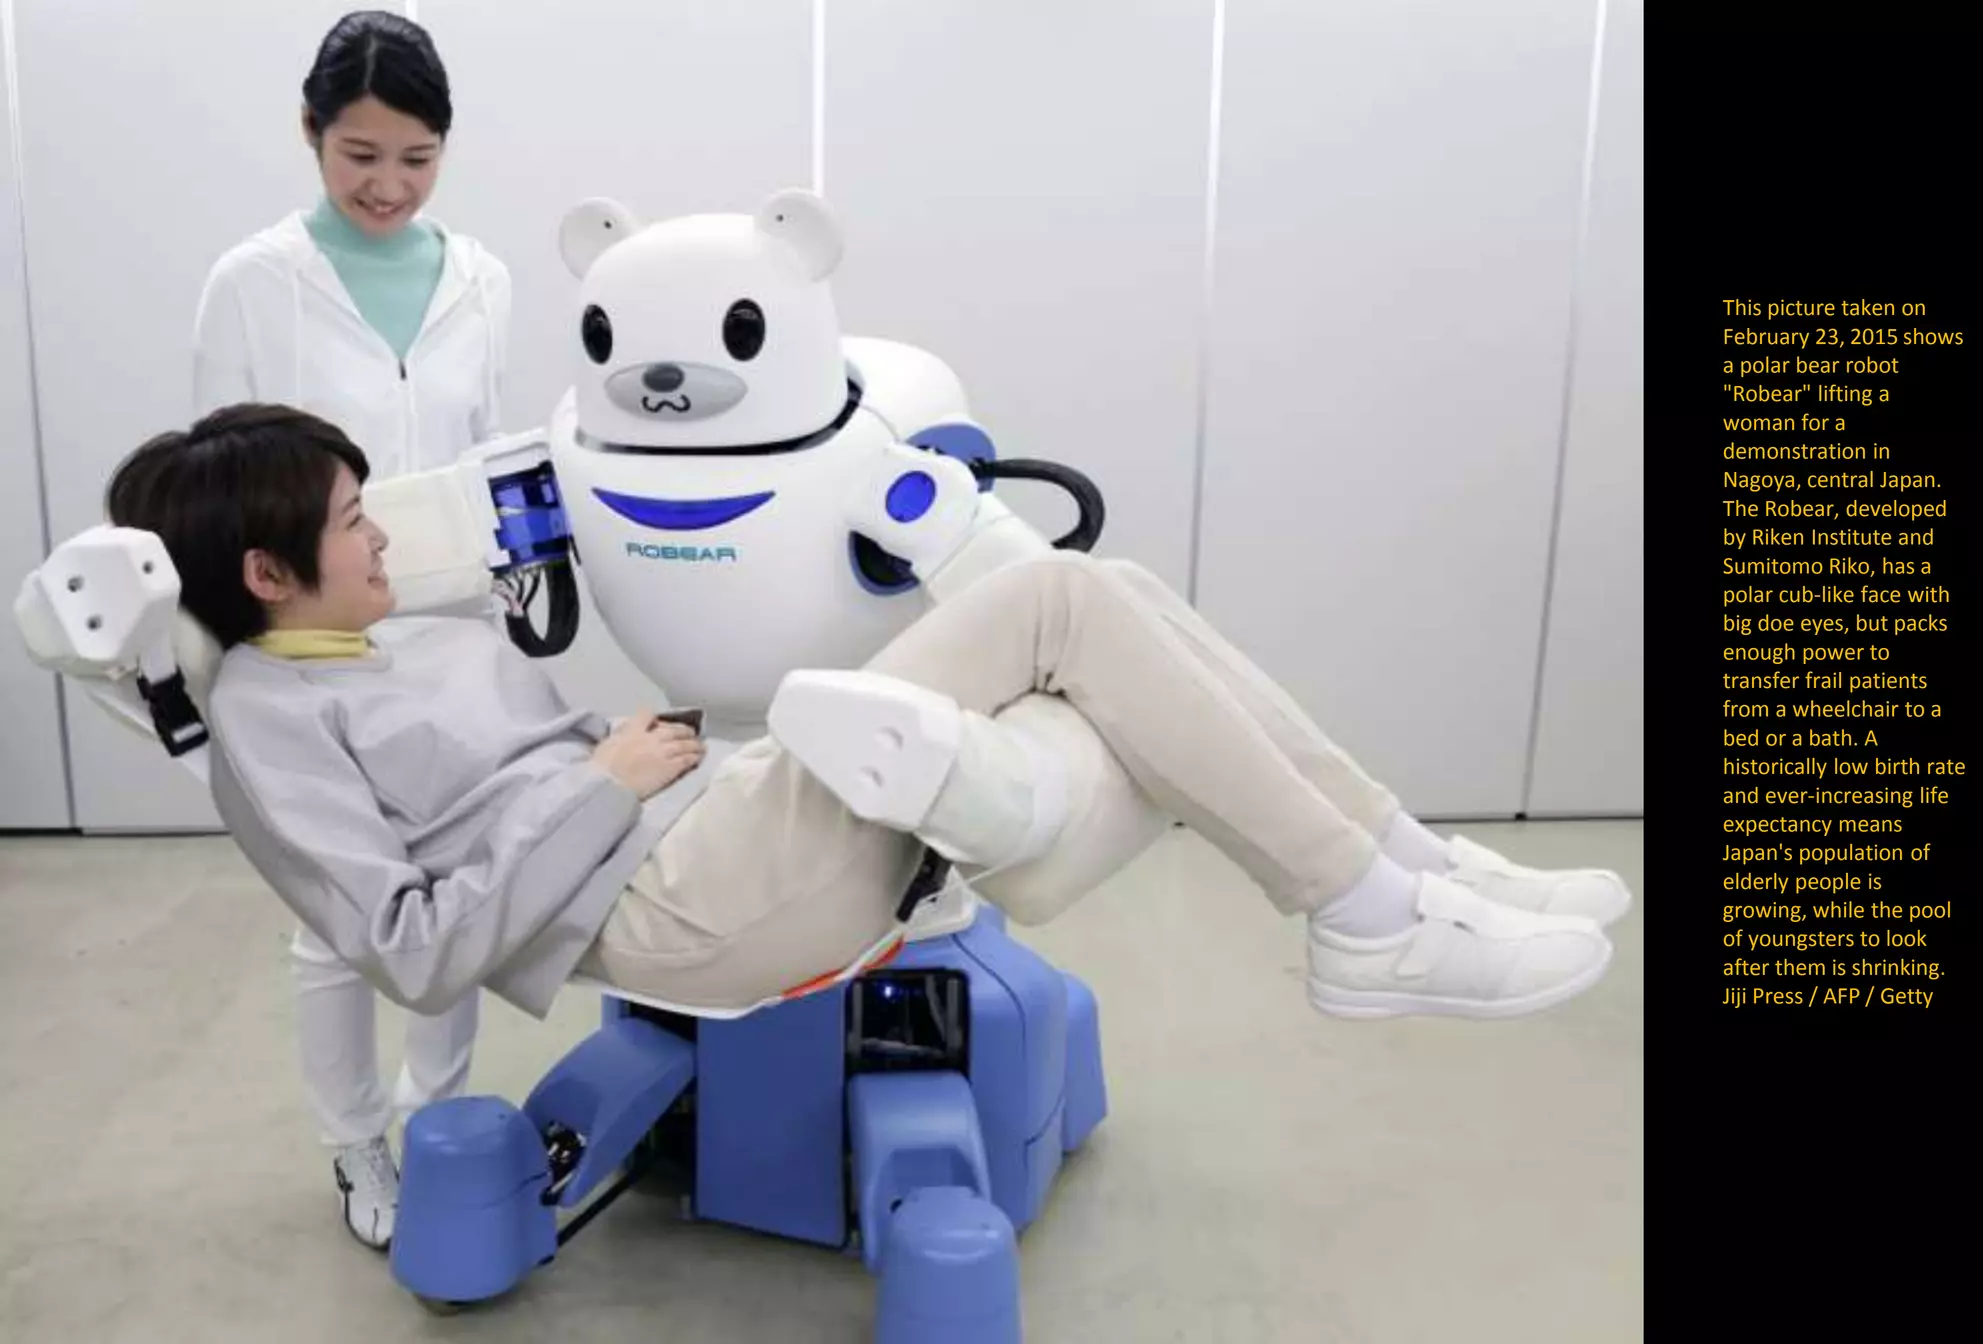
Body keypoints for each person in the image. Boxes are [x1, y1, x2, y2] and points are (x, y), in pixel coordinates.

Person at [110, 407, 1632, 1124]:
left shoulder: (391, 627)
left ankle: (1403, 864)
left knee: (1125, 595)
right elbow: (412, 956)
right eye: (350, 518)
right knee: (1059, 599)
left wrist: (661, 761)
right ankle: (1365, 913)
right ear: (262, 571)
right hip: (683, 905)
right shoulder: (267, 728)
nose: (379, 532)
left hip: (703, 817)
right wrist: (608, 786)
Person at [189, 12, 511, 1250]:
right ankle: (355, 1142)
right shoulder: (254, 282)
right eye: (359, 154)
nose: (386, 185)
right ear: (311, 133)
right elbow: (218, 479)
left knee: (465, 890)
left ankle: (445, 1121)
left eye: (416, 159)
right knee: (338, 914)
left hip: (454, 626)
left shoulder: (483, 279)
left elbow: (486, 456)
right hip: (308, 642)